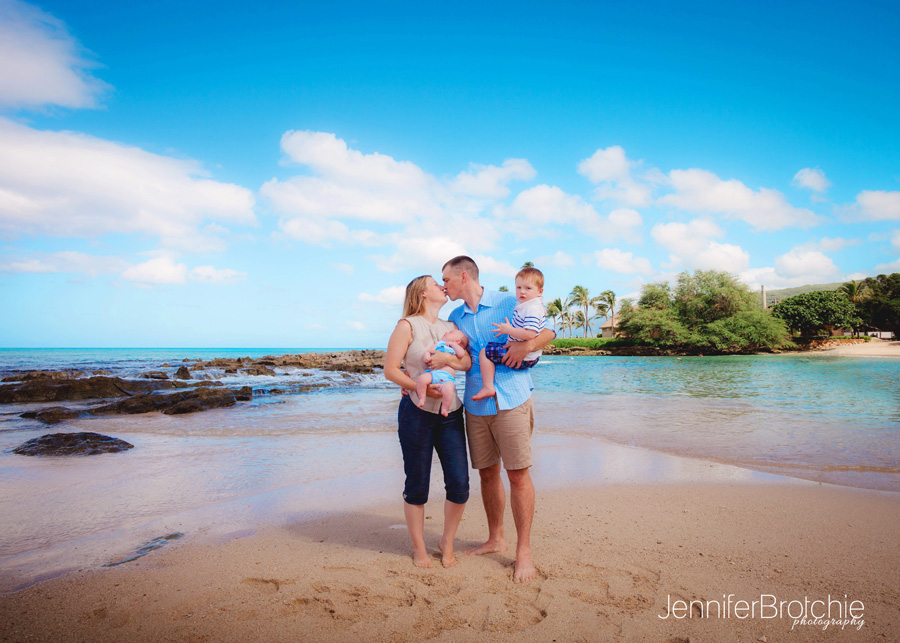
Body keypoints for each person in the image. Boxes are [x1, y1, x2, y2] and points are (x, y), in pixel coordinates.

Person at [434, 256, 555, 583]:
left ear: (463, 276)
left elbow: (550, 330)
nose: (443, 286)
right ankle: (496, 538)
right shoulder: (455, 316)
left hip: (513, 396)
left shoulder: (507, 299)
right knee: (487, 474)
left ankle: (523, 552)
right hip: (476, 401)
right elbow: (460, 355)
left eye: (446, 280)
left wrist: (526, 345)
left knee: (517, 475)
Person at [384, 275, 471, 569]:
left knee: (459, 484)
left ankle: (446, 541)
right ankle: (419, 549)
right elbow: (390, 370)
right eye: (436, 283)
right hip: (416, 413)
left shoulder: (451, 327)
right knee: (417, 484)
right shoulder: (406, 325)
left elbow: (467, 363)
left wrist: (446, 362)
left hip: (451, 414)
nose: (442, 287)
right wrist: (414, 386)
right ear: (423, 293)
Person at [472, 267, 546, 401]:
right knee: (493, 349)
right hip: (528, 355)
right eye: (518, 287)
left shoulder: (531, 309)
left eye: (528, 288)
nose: (522, 291)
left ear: (539, 292)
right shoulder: (529, 306)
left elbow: (530, 334)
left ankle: (488, 386)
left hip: (526, 356)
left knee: (485, 353)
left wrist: (508, 330)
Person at [415, 329, 469, 417]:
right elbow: (429, 351)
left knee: (449, 390)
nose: (446, 332)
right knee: (422, 379)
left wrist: (453, 344)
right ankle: (422, 398)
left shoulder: (455, 348)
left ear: (458, 341)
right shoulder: (439, 344)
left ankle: (444, 408)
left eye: (451, 333)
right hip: (433, 373)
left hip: (446, 378)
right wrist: (426, 356)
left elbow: (461, 354)